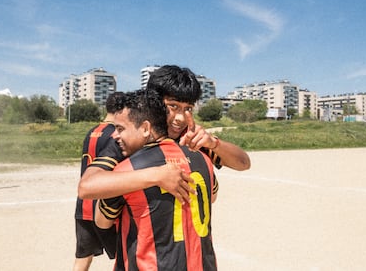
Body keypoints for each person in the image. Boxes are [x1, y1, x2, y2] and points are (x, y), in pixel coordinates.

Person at [79, 65, 250, 200]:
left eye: (188, 108)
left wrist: (214, 144)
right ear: (155, 103)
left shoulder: (190, 138)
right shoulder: (134, 139)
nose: (180, 118)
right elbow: (87, 187)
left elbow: (243, 163)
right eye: (173, 107)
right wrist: (157, 175)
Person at [95, 89, 218, 270]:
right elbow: (212, 197)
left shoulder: (127, 171)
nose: (115, 135)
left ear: (145, 128)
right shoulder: (203, 159)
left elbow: (101, 221)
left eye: (120, 129)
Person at [73, 92, 125, 271]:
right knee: (123, 256)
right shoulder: (116, 134)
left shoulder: (91, 132)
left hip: (83, 206)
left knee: (83, 257)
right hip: (104, 208)